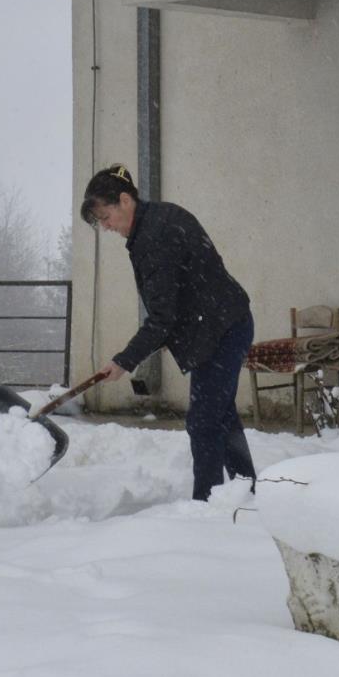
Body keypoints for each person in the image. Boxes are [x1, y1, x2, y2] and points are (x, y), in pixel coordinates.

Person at [80, 163, 256, 501]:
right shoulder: (157, 220)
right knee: (221, 416)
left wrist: (123, 361)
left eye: (106, 217)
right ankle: (246, 491)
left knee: (204, 422)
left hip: (221, 329)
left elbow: (163, 318)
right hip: (223, 324)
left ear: (124, 201)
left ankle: (207, 503)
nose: (106, 227)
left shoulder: (154, 237)